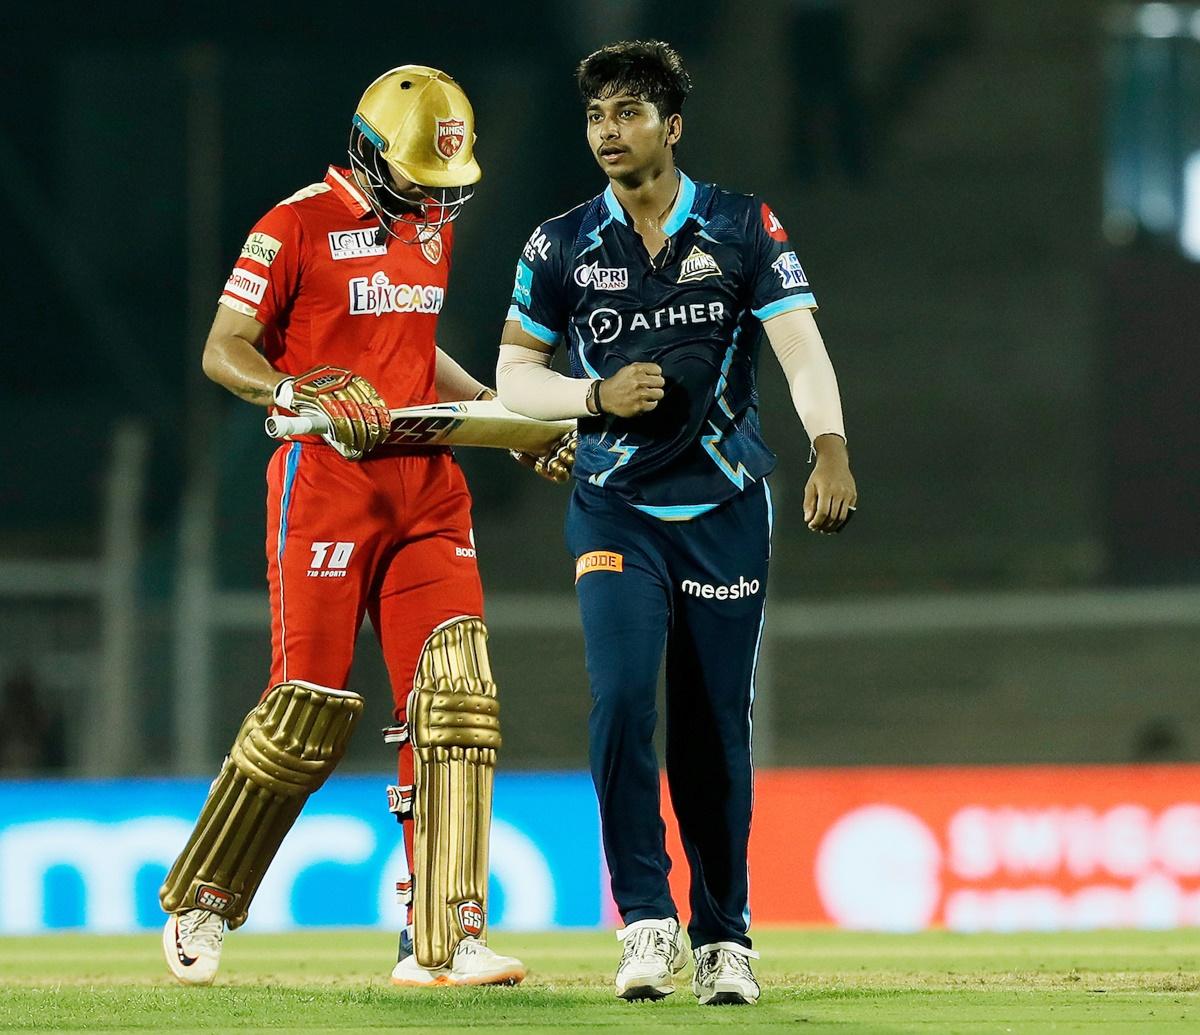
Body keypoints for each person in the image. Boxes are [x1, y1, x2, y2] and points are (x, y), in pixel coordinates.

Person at [160, 65, 568, 989]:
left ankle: (442, 935)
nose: (434, 200)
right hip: (327, 483)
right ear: (372, 151)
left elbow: (417, 353)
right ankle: (207, 898)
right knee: (307, 705)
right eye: (421, 178)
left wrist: (509, 423)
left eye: (445, 185)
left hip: (427, 485)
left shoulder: (428, 226)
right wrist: (293, 386)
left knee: (455, 702)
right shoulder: (293, 223)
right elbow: (223, 349)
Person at [496, 40, 857, 1005]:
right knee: (620, 700)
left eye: (627, 113)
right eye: (595, 117)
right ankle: (647, 923)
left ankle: (724, 936)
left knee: (712, 733)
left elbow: (800, 345)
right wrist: (592, 396)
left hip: (727, 508)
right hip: (615, 506)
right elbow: (511, 378)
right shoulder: (559, 243)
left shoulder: (743, 226)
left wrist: (830, 446)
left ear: (673, 124)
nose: (608, 132)